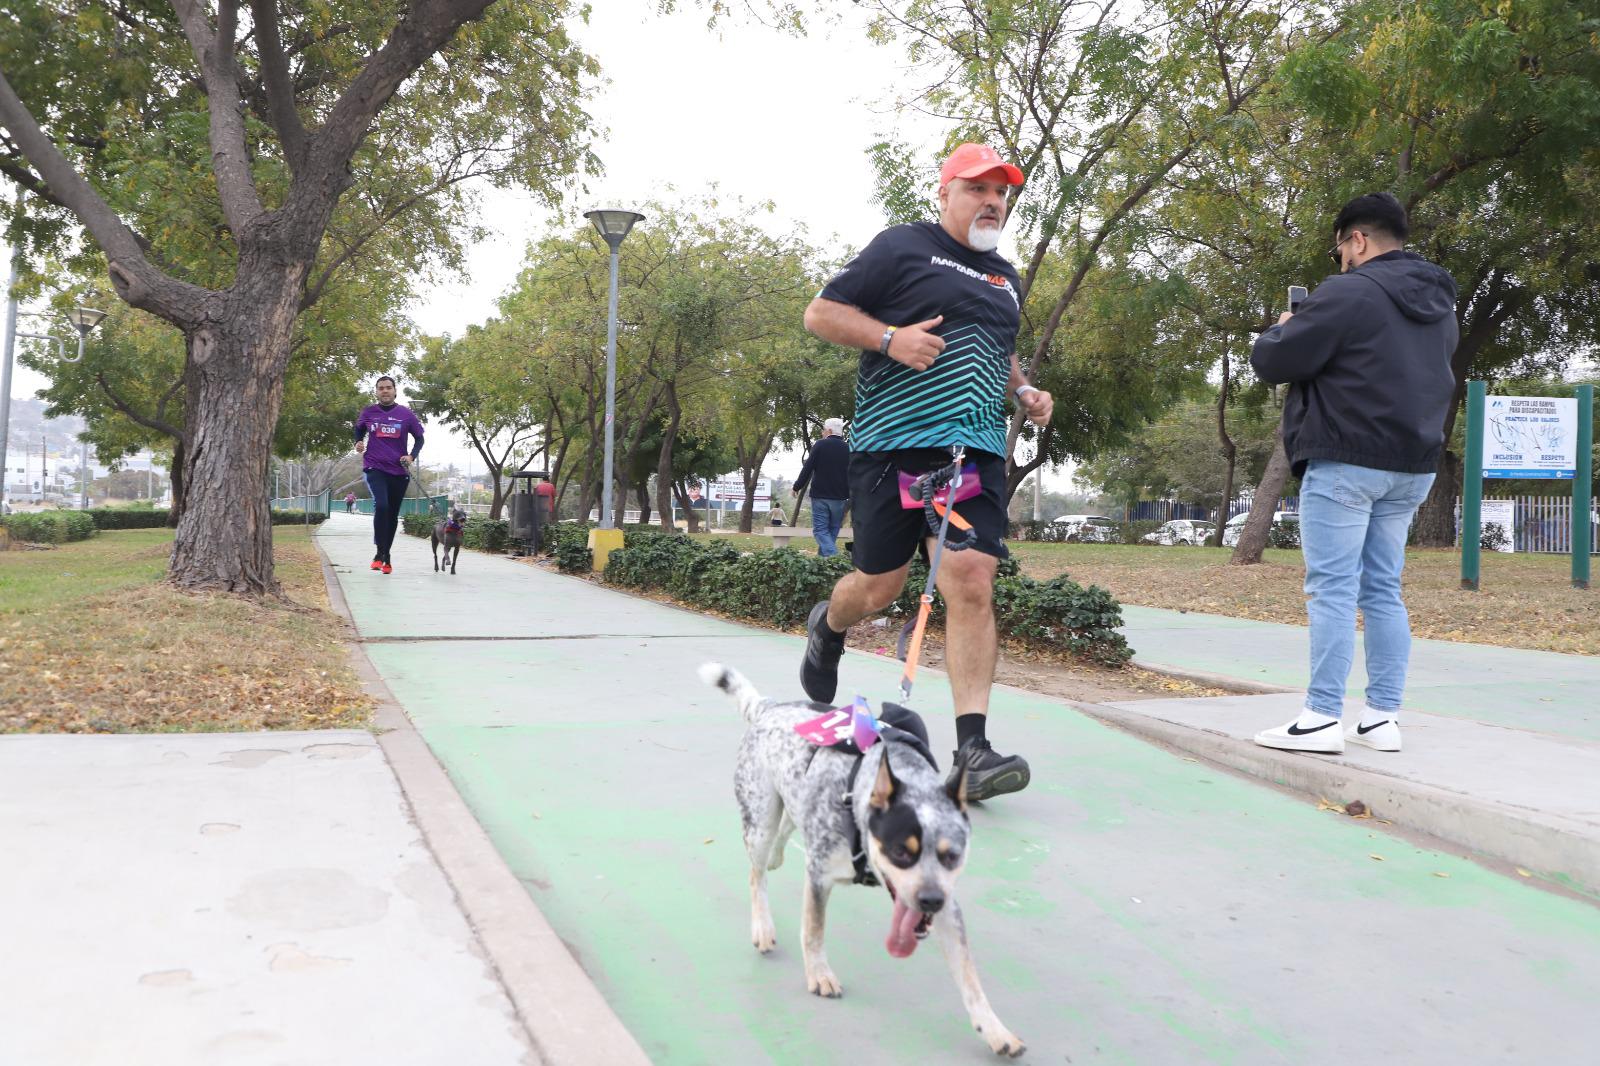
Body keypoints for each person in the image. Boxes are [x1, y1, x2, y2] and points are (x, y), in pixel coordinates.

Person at [797, 143, 1053, 802]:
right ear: (945, 194)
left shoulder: (1006, 278)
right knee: (878, 587)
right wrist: (889, 339)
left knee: (970, 577)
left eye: (1002, 193)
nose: (993, 201)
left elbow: (1002, 349)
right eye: (978, 189)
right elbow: (820, 313)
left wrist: (1023, 390)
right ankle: (829, 624)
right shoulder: (902, 247)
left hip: (970, 455)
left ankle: (972, 752)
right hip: (891, 450)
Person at [1249, 192, 1457, 755]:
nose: (1340, 257)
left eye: (1341, 246)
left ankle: (1319, 719)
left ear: (1357, 239)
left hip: (1346, 460)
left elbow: (1274, 360)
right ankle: (1382, 717)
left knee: (1333, 590)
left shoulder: (1348, 292)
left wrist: (1286, 326)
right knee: (1383, 589)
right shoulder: (1440, 303)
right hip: (1412, 467)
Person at [353, 375, 425, 575]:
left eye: (388, 387)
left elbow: (419, 439)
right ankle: (378, 554)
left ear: (394, 391)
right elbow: (358, 430)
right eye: (381, 388)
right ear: (376, 392)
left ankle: (387, 556)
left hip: (398, 470)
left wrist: (411, 456)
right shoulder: (369, 412)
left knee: (392, 515)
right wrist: (358, 442)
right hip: (375, 467)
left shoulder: (406, 414)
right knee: (382, 506)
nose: (384, 391)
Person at [793, 417, 850, 556]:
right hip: (840, 497)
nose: (822, 433)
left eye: (823, 430)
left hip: (820, 496)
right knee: (832, 530)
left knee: (820, 531)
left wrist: (797, 486)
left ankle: (834, 558)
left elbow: (808, 467)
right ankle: (823, 564)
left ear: (829, 430)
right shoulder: (849, 448)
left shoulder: (820, 445)